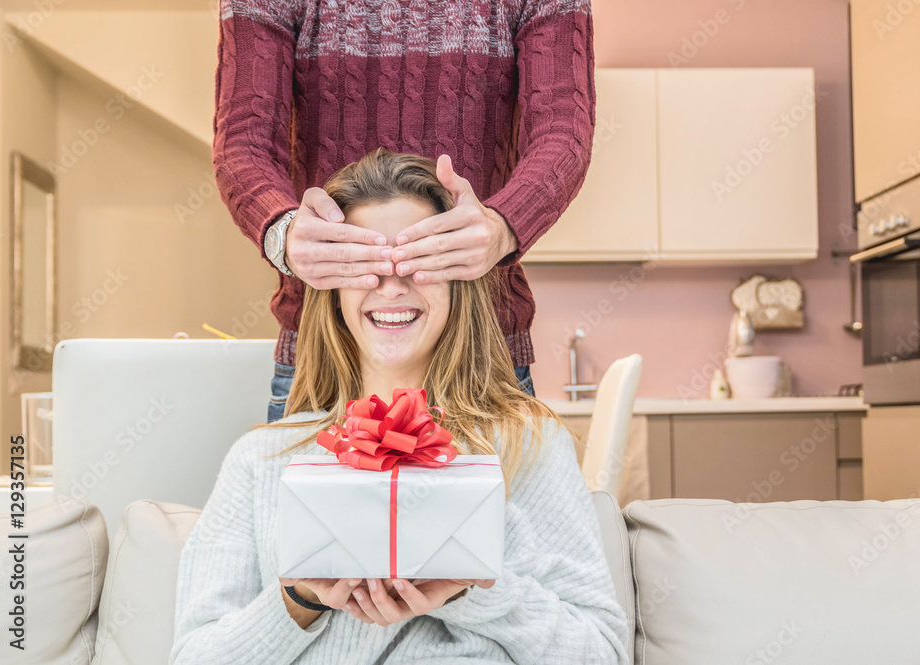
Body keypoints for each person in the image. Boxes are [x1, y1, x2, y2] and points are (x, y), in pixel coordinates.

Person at [171, 150, 627, 664]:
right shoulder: (261, 460)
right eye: (365, 265)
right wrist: (298, 601)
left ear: (459, 281)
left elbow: (600, 654)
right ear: (332, 289)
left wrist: (472, 592)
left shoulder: (528, 444)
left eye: (421, 261)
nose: (392, 285)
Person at [211, 0, 597, 422]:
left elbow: (563, 132)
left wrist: (503, 226)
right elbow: (243, 144)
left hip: (480, 354)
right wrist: (281, 232)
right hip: (326, 354)